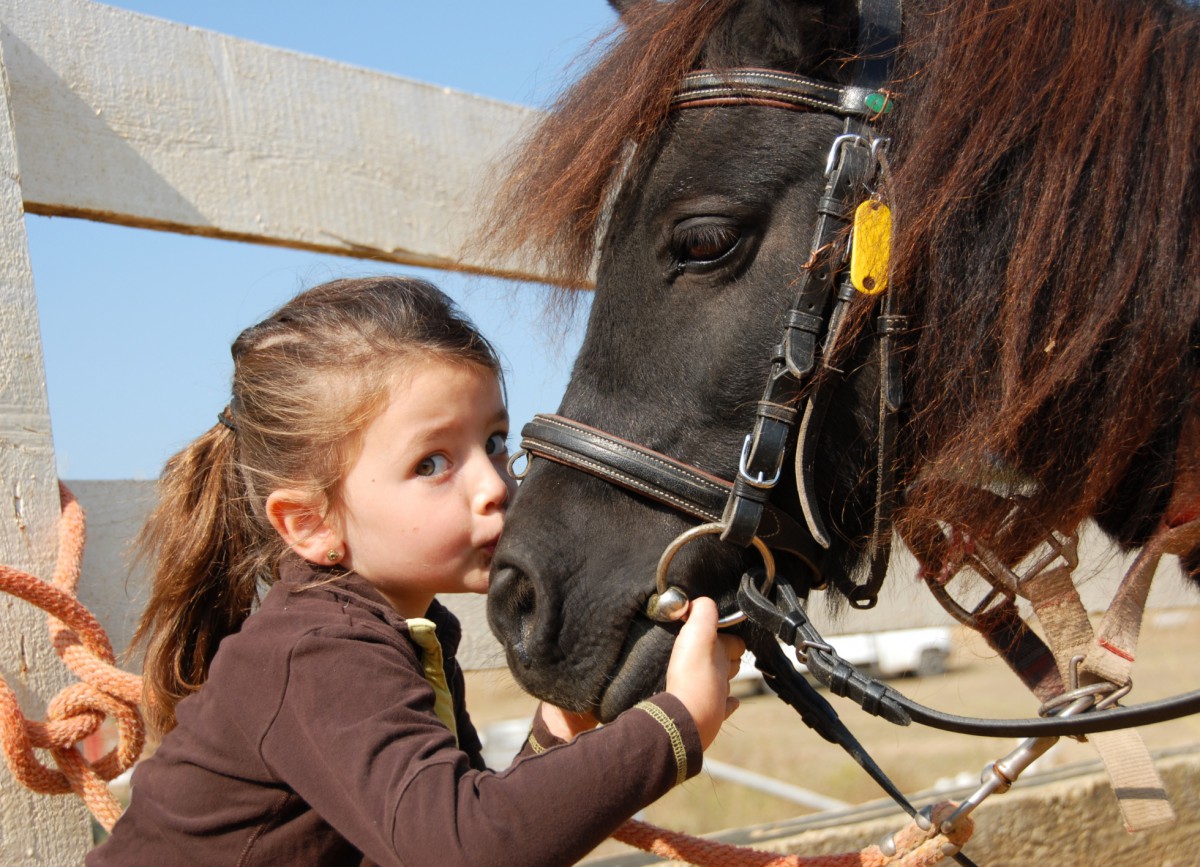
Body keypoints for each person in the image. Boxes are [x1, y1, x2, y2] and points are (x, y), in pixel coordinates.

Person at [88, 276, 744, 866]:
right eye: (431, 463)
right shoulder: (317, 652)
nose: (493, 483)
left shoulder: (399, 627)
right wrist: (677, 724)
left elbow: (445, 824)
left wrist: (557, 731)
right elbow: (465, 849)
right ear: (310, 523)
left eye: (493, 441)